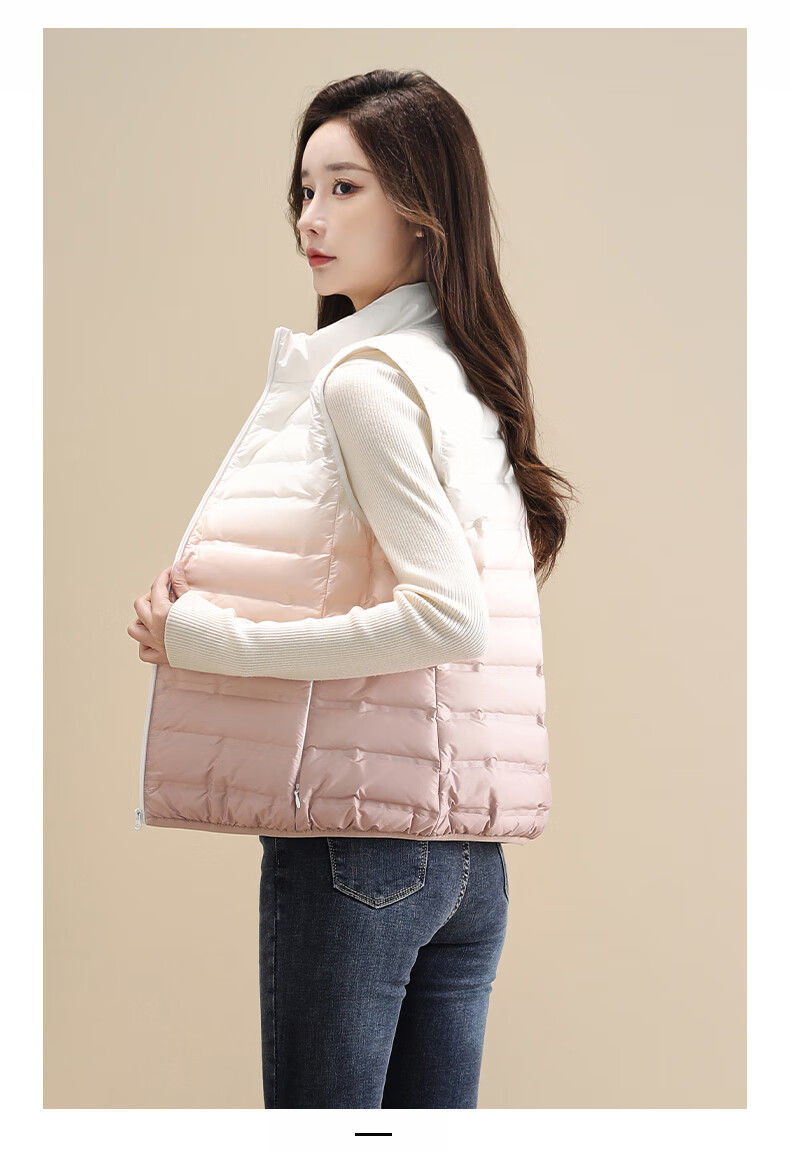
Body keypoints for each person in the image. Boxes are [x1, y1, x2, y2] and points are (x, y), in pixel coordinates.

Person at [128, 69, 576, 1109]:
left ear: (423, 209)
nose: (309, 219)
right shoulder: (458, 372)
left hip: (356, 852)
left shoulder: (366, 380)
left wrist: (211, 641)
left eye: (344, 187)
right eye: (304, 190)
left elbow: (447, 616)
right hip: (466, 863)